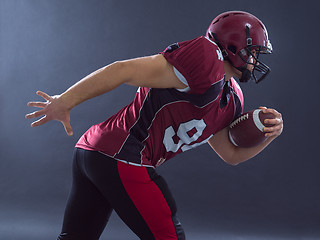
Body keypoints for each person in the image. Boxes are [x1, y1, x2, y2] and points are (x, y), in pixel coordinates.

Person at [26, 11, 283, 240]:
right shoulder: (206, 58)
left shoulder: (232, 99)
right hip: (124, 157)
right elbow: (122, 70)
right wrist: (66, 100)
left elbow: (231, 154)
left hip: (93, 151)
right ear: (234, 46)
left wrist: (269, 134)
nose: (255, 61)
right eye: (254, 52)